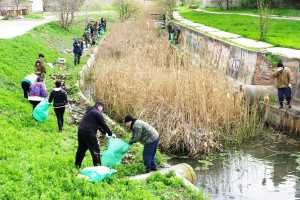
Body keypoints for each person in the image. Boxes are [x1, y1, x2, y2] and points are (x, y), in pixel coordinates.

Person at [75, 102, 114, 168]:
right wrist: (110, 134)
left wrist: (105, 133)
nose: (102, 110)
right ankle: (98, 167)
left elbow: (98, 125)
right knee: (95, 150)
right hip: (89, 133)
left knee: (81, 149)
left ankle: (77, 165)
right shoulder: (97, 113)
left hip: (81, 131)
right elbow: (103, 124)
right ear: (99, 107)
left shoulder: (90, 111)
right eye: (102, 108)